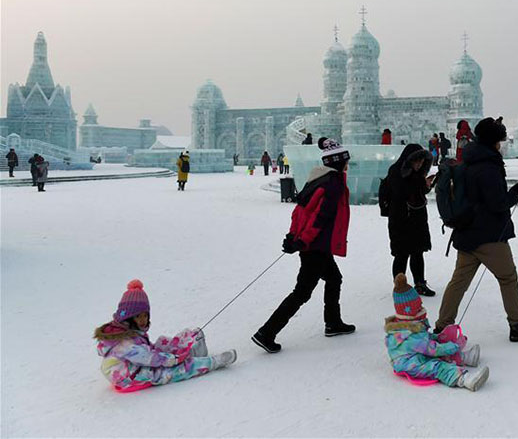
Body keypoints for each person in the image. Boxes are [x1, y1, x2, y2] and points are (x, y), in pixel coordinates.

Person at [434, 116, 518, 343]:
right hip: (489, 235)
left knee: (459, 282)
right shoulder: (488, 167)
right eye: (499, 140)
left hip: (467, 231)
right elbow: (497, 203)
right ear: (494, 142)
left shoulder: (469, 161)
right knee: (508, 277)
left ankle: (442, 326)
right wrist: (517, 192)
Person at [252, 138, 355, 353]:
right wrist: (302, 240)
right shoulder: (333, 183)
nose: (348, 164)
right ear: (338, 162)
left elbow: (300, 211)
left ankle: (333, 322)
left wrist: (293, 236)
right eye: (346, 161)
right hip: (315, 246)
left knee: (334, 278)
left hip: (316, 245)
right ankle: (266, 333)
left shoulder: (317, 179)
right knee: (302, 292)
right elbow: (320, 217)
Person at [93, 279, 236, 392]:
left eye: (145, 315)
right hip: (129, 377)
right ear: (128, 317)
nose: (143, 320)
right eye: (138, 316)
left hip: (132, 366)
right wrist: (174, 360)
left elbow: (147, 352)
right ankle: (213, 362)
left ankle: (191, 351)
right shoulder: (124, 343)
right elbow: (148, 357)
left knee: (162, 344)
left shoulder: (128, 331)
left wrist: (170, 355)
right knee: (172, 371)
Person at [385, 274, 489, 391]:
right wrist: (454, 346)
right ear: (410, 312)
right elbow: (433, 349)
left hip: (417, 355)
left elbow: (424, 339)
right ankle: (465, 379)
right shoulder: (409, 337)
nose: (422, 309)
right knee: (438, 366)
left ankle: (466, 358)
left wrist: (437, 337)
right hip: (411, 365)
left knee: (441, 352)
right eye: (419, 307)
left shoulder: (409, 328)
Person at [385, 143, 437, 297]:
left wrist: (426, 185)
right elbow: (401, 192)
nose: (419, 164)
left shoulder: (417, 174)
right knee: (401, 254)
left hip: (417, 218)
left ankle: (420, 283)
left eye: (422, 161)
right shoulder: (396, 172)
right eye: (416, 161)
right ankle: (399, 286)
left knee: (418, 252)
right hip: (401, 219)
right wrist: (420, 182)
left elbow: (419, 193)